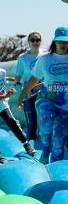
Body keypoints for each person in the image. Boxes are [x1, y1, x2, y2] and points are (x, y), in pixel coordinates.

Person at [18, 27, 68, 164]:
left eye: (65, 42)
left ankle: (55, 165)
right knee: (47, 121)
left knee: (60, 137)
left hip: (65, 103)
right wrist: (22, 95)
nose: (63, 45)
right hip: (47, 98)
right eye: (60, 42)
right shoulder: (45, 59)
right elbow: (34, 78)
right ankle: (46, 148)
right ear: (55, 43)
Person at [0, 52, 35, 165]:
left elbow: (3, 88)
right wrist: (6, 95)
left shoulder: (3, 73)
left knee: (11, 121)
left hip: (0, 103)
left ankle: (26, 144)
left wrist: (8, 93)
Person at [15, 32, 43, 140]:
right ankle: (32, 146)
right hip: (28, 92)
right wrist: (17, 86)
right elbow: (18, 75)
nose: (35, 42)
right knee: (31, 121)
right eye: (33, 40)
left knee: (47, 118)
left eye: (38, 40)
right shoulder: (23, 58)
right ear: (28, 42)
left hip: (44, 91)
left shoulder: (45, 55)